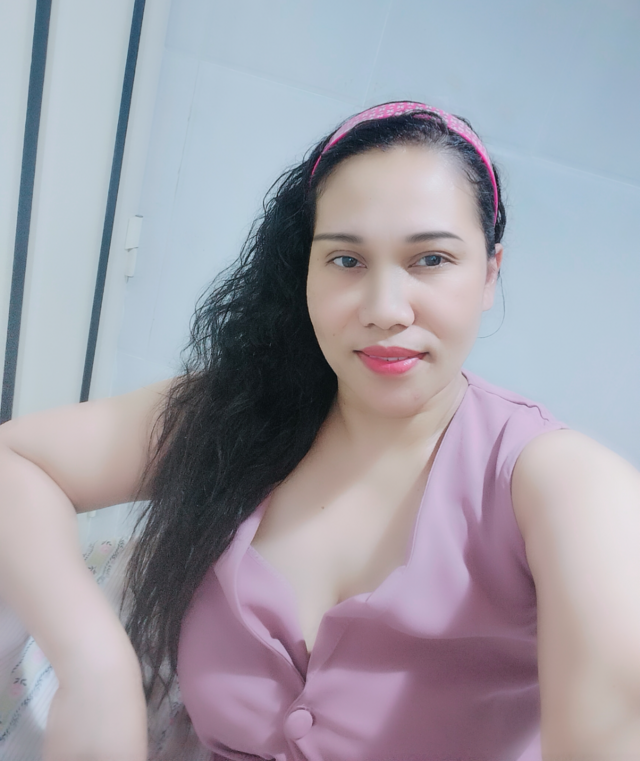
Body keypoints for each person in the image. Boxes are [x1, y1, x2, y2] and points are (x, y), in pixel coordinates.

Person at [1, 101, 639, 761]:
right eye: (345, 260)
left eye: (430, 259)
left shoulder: (560, 484)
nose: (385, 309)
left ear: (489, 273)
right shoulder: (240, 412)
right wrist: (95, 670)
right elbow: (16, 461)